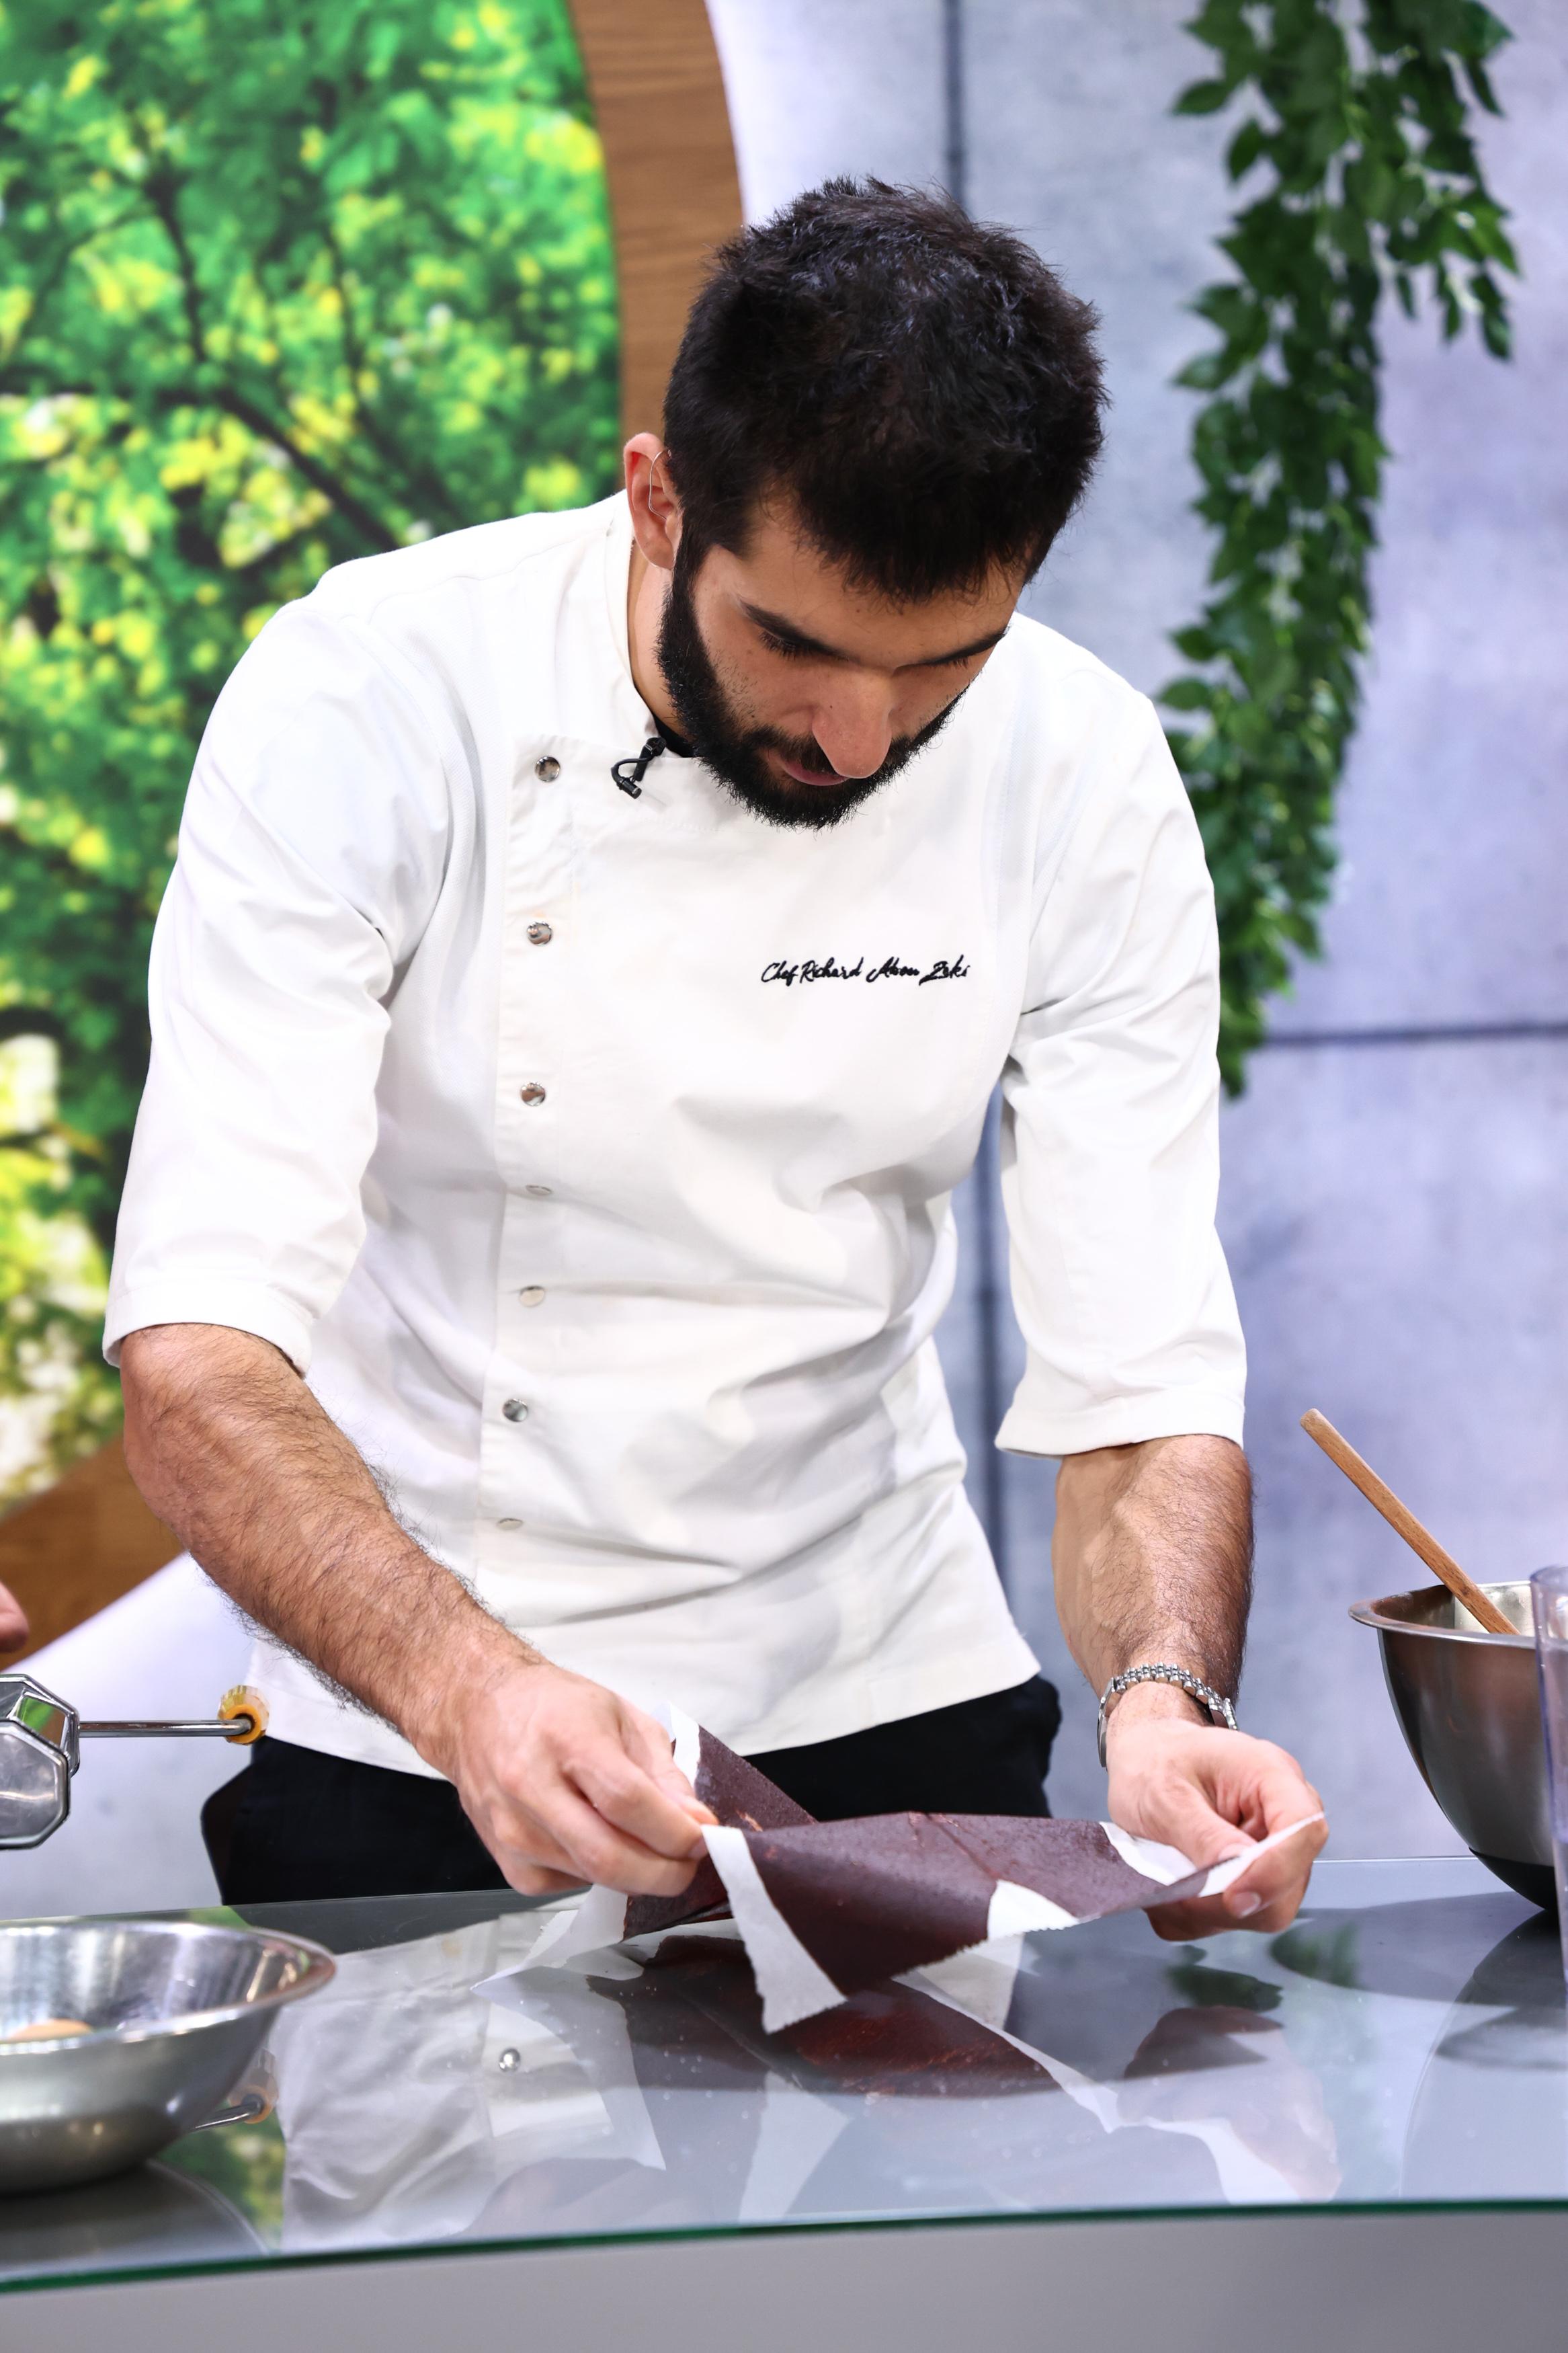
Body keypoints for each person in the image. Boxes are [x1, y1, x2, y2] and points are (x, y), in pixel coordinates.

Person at [109, 180, 1325, 1933]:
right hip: (418, 1725)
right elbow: (200, 1360)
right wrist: (469, 1690)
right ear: (659, 500)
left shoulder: (1086, 771)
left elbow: (1140, 1390)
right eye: (798, 648)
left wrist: (1164, 1704)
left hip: (898, 1703)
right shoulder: (370, 694)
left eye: (943, 669)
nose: (859, 740)